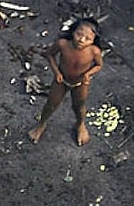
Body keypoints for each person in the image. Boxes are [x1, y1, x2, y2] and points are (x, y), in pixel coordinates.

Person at [28, 18, 104, 146]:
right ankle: (41, 124)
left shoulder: (93, 51)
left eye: (88, 39)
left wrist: (88, 74)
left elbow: (98, 65)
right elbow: (50, 55)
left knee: (79, 106)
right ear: (73, 31)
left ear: (93, 41)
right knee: (51, 104)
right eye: (79, 34)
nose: (81, 40)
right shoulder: (63, 44)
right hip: (61, 80)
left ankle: (80, 124)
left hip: (80, 83)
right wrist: (56, 72)